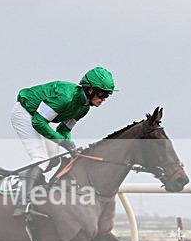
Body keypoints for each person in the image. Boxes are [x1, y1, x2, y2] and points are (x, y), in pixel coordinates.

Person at [10, 67, 116, 220]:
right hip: (25, 114)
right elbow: (38, 122)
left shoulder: (83, 109)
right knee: (41, 159)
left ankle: (32, 186)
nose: (104, 98)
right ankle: (22, 204)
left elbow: (63, 129)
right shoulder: (65, 98)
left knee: (54, 159)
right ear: (90, 89)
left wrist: (71, 146)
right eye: (102, 94)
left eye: (107, 95)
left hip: (38, 119)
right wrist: (64, 143)